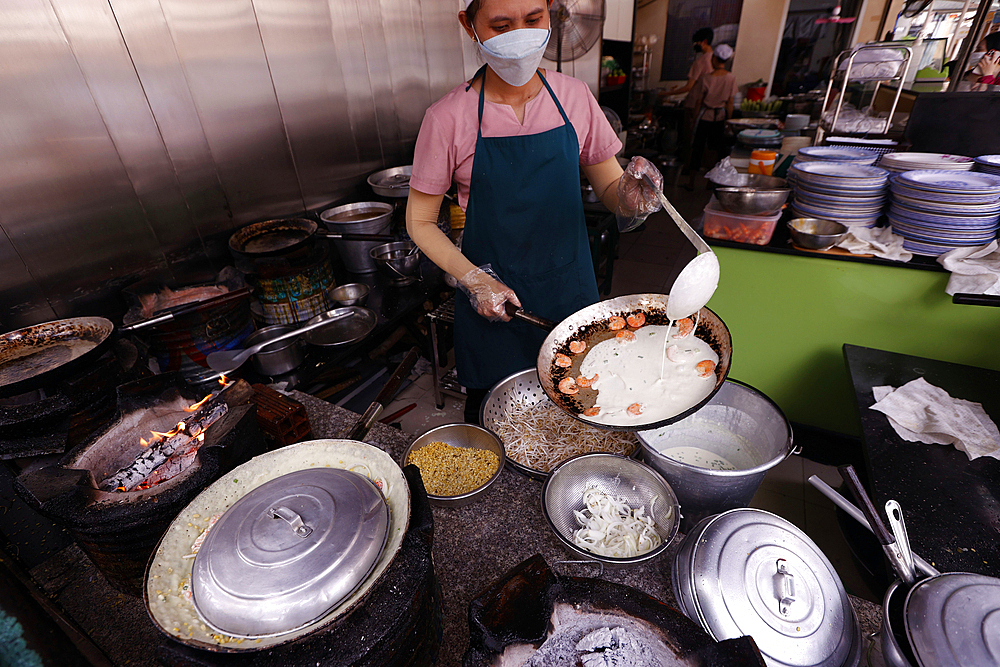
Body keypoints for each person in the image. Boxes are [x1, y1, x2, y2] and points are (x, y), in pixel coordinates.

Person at [407, 0, 664, 424]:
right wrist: (474, 279)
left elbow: (610, 187)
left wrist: (634, 198)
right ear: (468, 26)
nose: (520, 36)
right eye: (501, 25)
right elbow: (418, 221)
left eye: (532, 20)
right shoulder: (447, 118)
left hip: (569, 289)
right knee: (497, 421)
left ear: (551, 15)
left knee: (579, 410)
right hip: (494, 302)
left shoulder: (574, 97)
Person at [687, 44, 737, 189]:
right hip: (720, 118)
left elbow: (698, 102)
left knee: (698, 148)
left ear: (714, 59)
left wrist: (694, 120)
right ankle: (711, 182)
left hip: (705, 117)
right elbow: (730, 103)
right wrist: (728, 121)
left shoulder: (706, 78)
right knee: (716, 151)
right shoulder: (731, 78)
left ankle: (691, 182)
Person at [664, 28, 715, 162]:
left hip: (693, 105)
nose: (694, 46)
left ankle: (685, 165)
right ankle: (697, 165)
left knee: (688, 136)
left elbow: (688, 87)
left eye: (696, 42)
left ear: (704, 42)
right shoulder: (715, 60)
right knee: (701, 138)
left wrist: (666, 93)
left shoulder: (700, 62)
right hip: (707, 106)